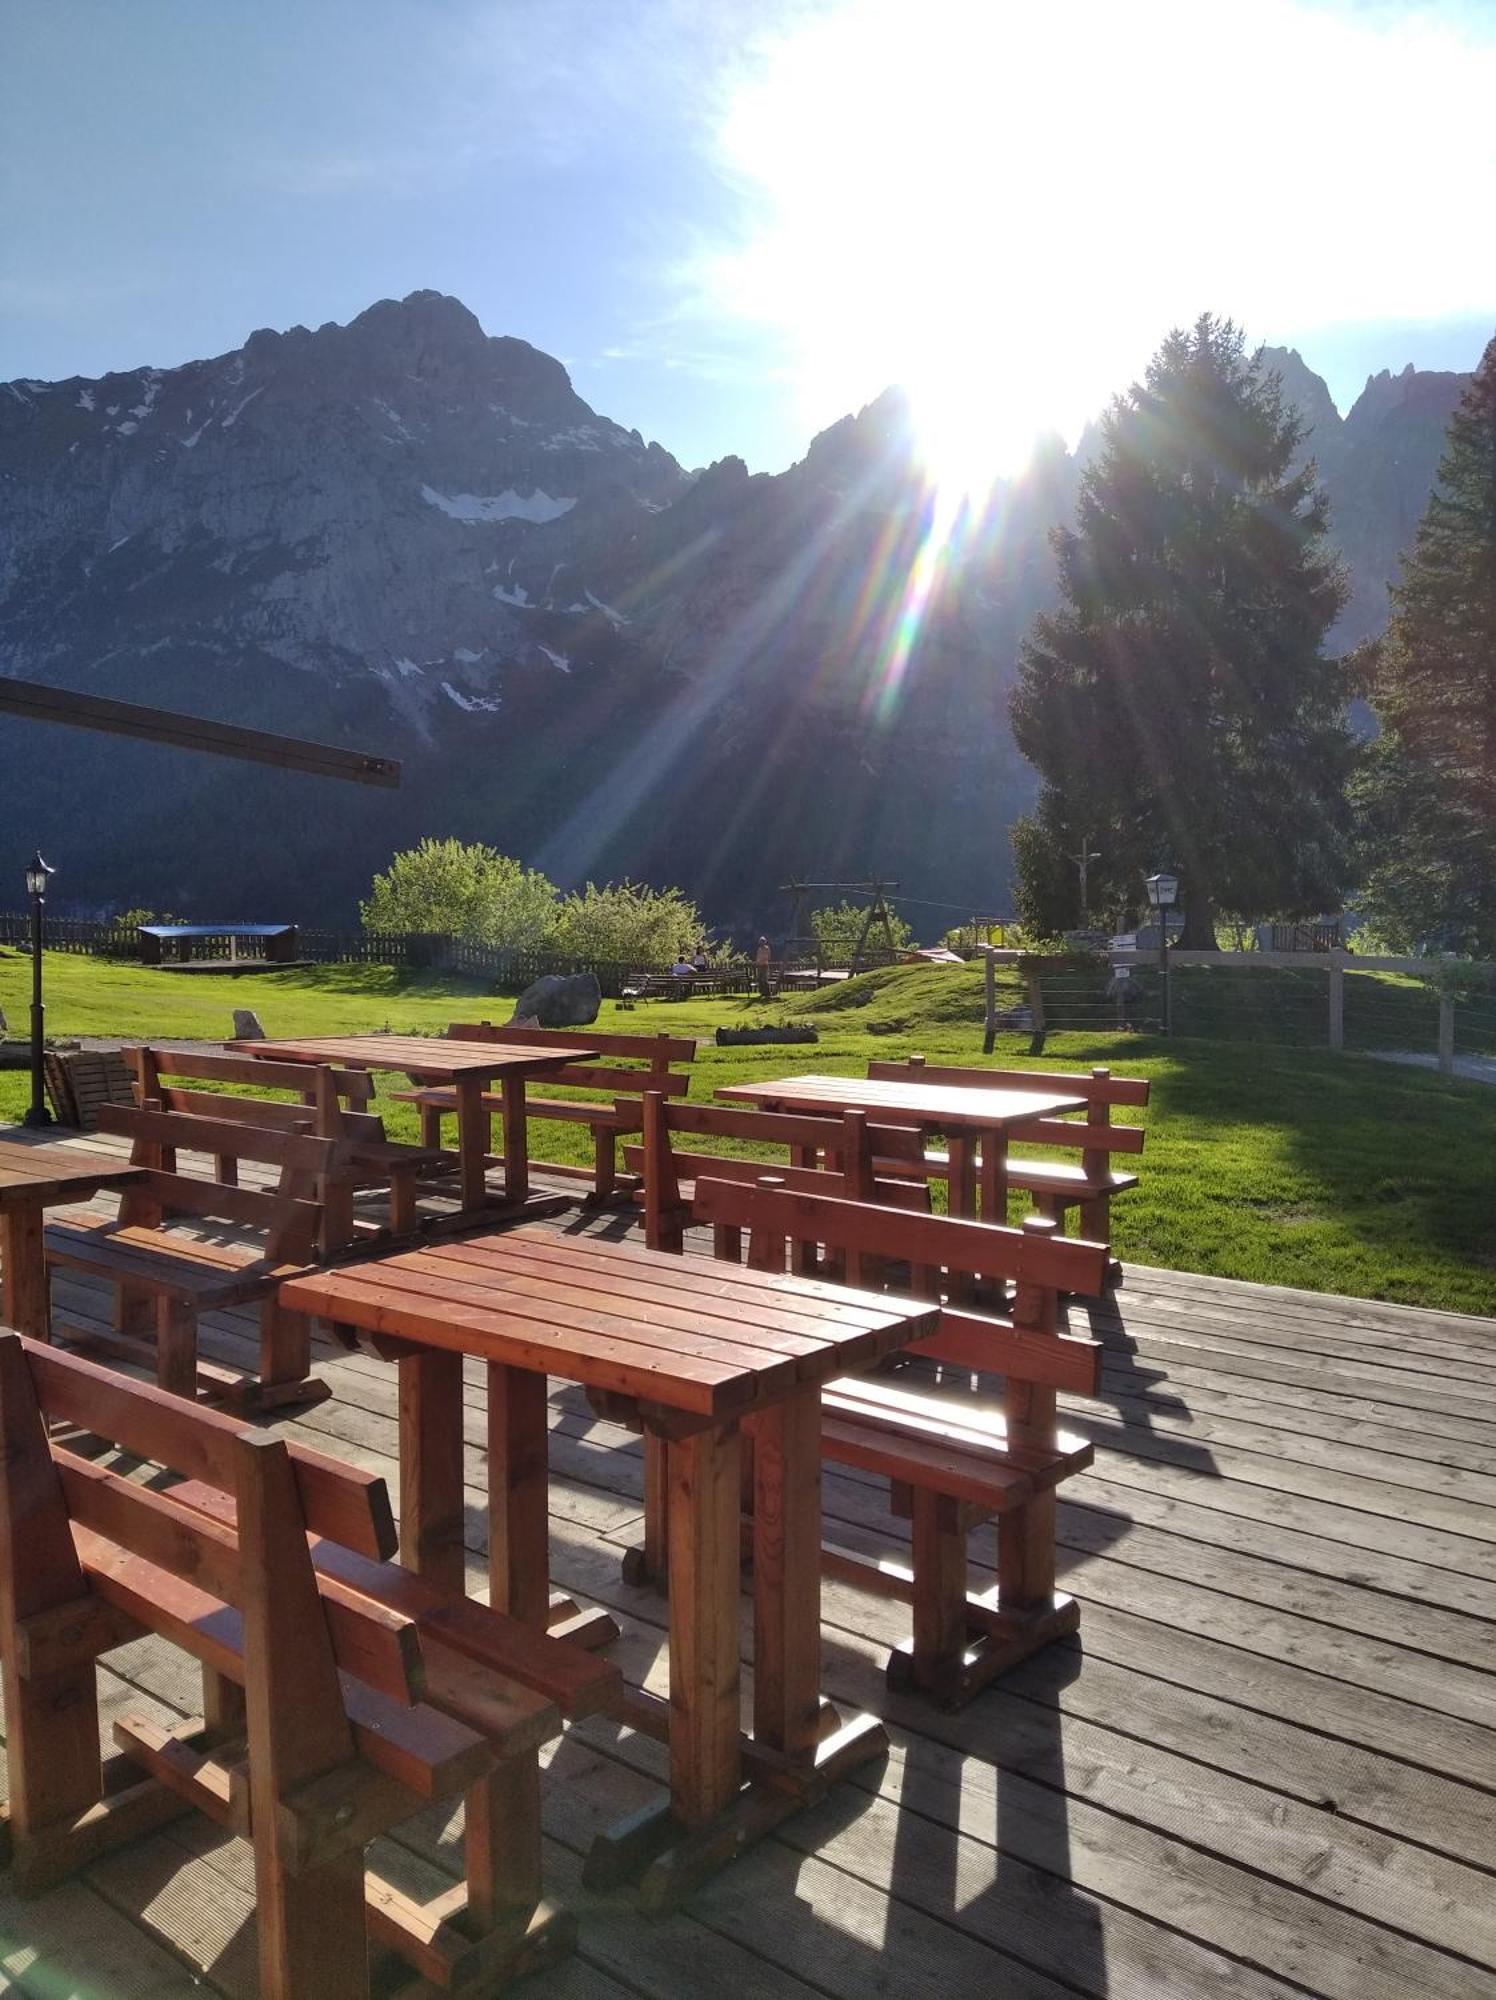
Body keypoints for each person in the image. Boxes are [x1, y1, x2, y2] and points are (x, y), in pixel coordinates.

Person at [755, 934, 773, 999]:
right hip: (759, 966)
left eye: (762, 941)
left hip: (764, 965)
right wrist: (757, 962)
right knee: (759, 979)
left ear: (764, 942)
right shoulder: (759, 949)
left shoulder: (767, 948)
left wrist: (763, 959)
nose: (761, 943)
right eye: (760, 941)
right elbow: (757, 957)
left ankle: (767, 993)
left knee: (764, 980)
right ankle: (762, 993)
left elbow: (768, 957)